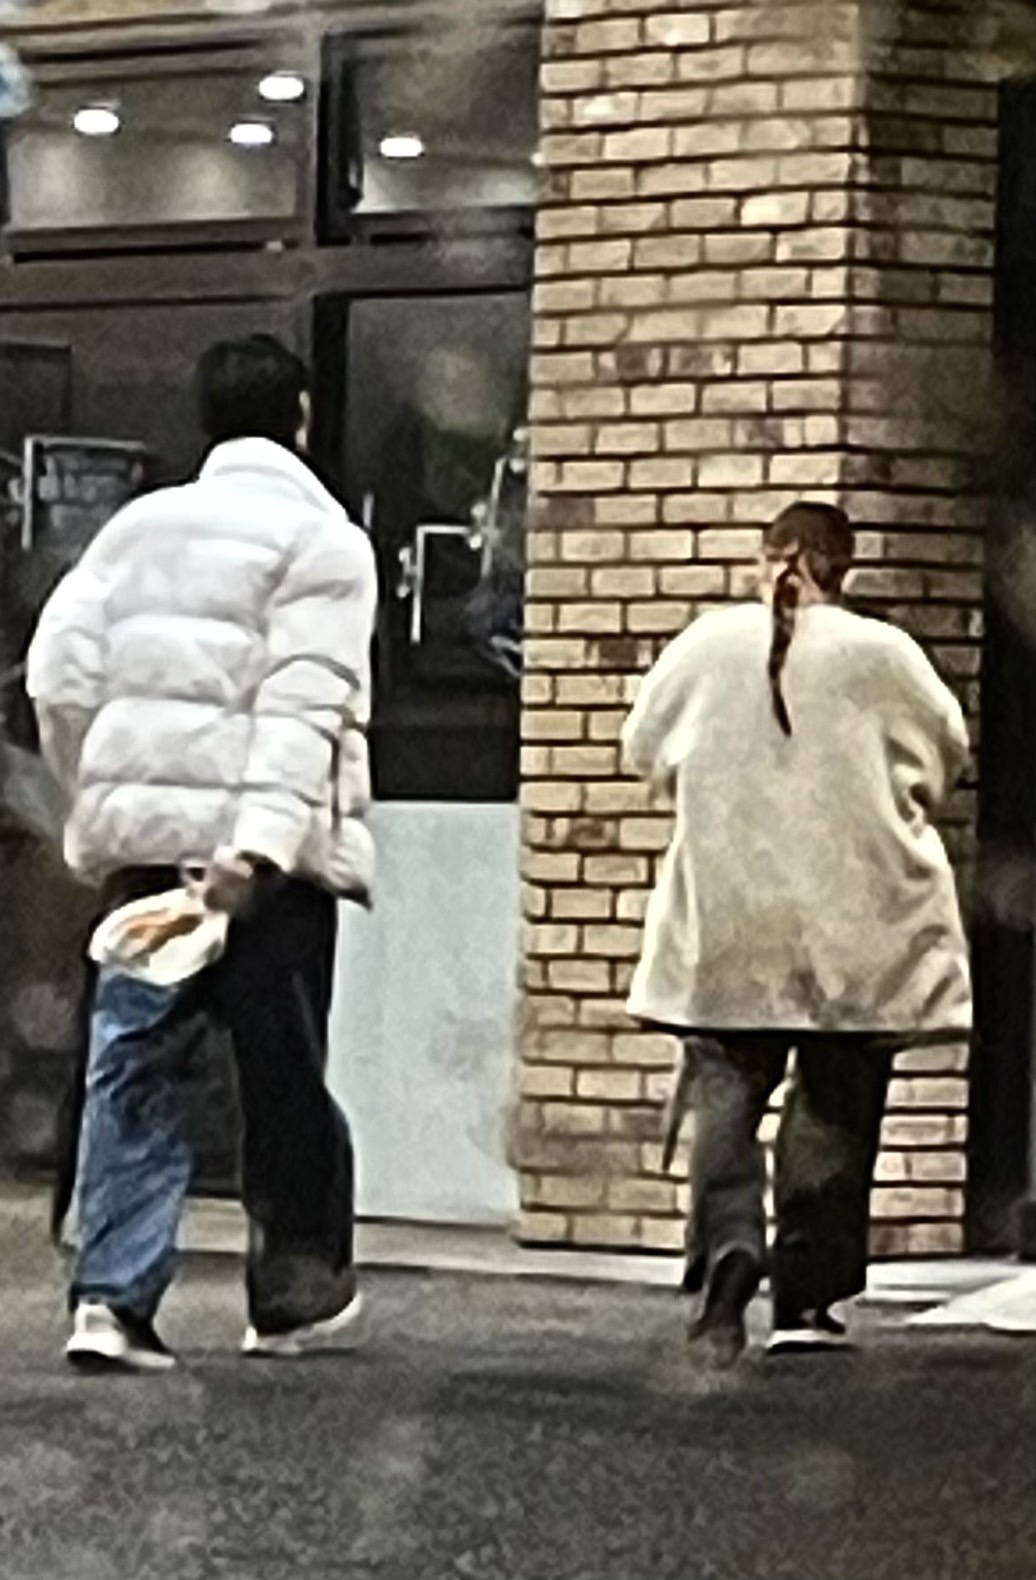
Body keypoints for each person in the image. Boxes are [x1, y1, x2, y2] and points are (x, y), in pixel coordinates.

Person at [27, 333, 378, 1371]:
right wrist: (255, 847)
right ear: (302, 417)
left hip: (146, 862)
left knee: (132, 1069)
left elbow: (56, 674)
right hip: (265, 870)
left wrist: (104, 797)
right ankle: (291, 1298)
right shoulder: (323, 541)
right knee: (282, 1077)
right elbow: (304, 706)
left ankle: (112, 1302)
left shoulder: (134, 530)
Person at [622, 502, 972, 1367]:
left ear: (766, 557)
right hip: (851, 919)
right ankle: (805, 1300)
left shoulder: (704, 646)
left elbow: (645, 752)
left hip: (729, 913)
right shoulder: (886, 655)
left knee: (725, 1089)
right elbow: (944, 760)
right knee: (835, 1100)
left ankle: (729, 1243)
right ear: (842, 567)